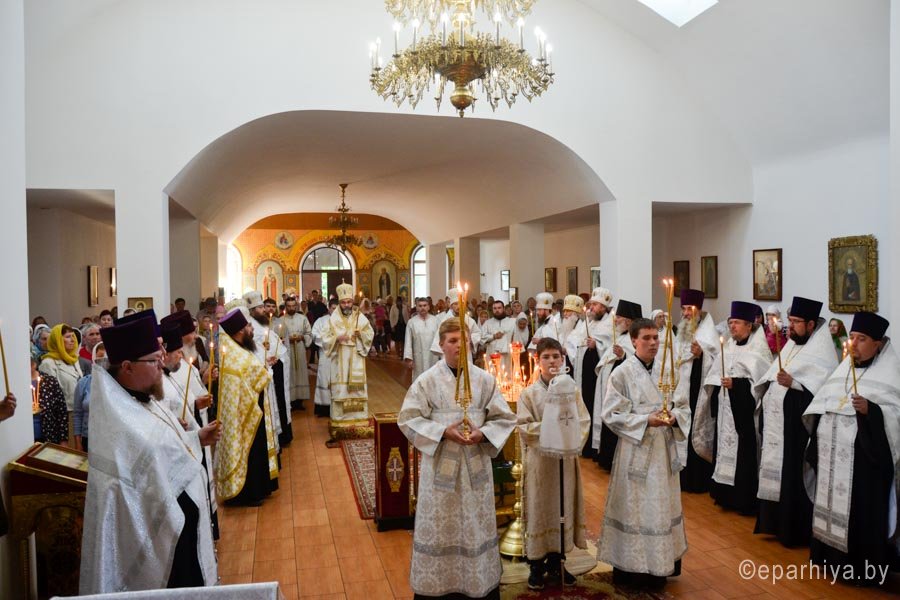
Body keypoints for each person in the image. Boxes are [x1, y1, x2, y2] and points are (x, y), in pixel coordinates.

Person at [80, 316, 219, 592]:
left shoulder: (143, 399)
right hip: (161, 547)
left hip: (180, 538)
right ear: (127, 367)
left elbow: (165, 449)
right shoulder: (118, 418)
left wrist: (195, 437)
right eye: (154, 360)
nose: (161, 365)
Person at [398, 318, 516, 599]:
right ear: (441, 345)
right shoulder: (427, 380)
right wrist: (441, 432)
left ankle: (479, 584)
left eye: (464, 340)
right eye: (452, 341)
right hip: (440, 471)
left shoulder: (484, 379)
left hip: (476, 469)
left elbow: (504, 418)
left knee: (475, 526)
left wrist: (483, 433)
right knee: (442, 529)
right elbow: (408, 418)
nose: (459, 347)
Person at [803, 311, 900, 585]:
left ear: (878, 344)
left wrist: (872, 411)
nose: (853, 344)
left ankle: (860, 568)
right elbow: (822, 404)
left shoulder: (890, 375)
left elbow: (895, 418)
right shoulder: (843, 371)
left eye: (862, 339)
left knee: (860, 512)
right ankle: (827, 558)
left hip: (864, 468)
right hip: (832, 458)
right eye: (853, 337)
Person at [599, 317, 689, 589]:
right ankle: (632, 569)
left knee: (660, 507)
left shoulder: (668, 370)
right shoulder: (622, 373)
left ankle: (660, 567)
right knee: (635, 508)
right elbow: (610, 414)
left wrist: (675, 417)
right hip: (635, 450)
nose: (653, 343)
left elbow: (683, 405)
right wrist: (645, 421)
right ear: (633, 341)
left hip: (663, 452)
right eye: (646, 338)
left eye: (655, 338)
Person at [754, 296, 837, 547]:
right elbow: (773, 375)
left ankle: (793, 530)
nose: (790, 326)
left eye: (796, 322)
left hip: (798, 429)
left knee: (793, 474)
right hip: (779, 424)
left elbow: (823, 393)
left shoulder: (822, 352)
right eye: (789, 321)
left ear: (811, 324)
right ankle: (773, 523)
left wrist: (795, 383)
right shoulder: (791, 344)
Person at [518, 338, 590, 590]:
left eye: (556, 356)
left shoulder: (573, 392)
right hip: (541, 462)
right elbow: (524, 427)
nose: (552, 361)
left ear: (563, 359)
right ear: (537, 361)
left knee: (563, 507)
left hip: (565, 461)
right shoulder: (529, 394)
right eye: (546, 357)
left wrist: (568, 440)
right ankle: (536, 564)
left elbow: (583, 422)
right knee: (540, 508)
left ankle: (558, 561)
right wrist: (553, 430)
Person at [693, 301, 773, 515]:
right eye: (730, 323)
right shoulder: (727, 347)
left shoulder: (758, 351)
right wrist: (717, 385)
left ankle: (742, 499)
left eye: (737, 323)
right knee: (723, 448)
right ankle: (723, 495)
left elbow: (761, 386)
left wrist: (736, 385)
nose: (732, 327)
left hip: (744, 416)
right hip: (724, 411)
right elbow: (713, 375)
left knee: (742, 453)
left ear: (749, 325)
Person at [215, 307, 279, 506]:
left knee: (254, 449)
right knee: (250, 450)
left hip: (249, 406)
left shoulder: (235, 348)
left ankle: (258, 489)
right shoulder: (233, 352)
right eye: (249, 326)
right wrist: (265, 371)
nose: (252, 330)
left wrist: (264, 366)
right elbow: (254, 374)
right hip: (244, 412)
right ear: (240, 330)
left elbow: (252, 371)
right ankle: (248, 493)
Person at [671, 289, 717, 493]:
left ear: (699, 309)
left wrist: (701, 355)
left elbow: (716, 361)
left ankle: (696, 480)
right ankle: (680, 477)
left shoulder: (709, 333)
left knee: (693, 433)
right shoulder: (682, 331)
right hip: (681, 391)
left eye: (689, 308)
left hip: (697, 393)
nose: (685, 313)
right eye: (683, 308)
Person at [563, 288, 613, 458]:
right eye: (591, 304)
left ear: (604, 307)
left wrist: (597, 345)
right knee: (584, 406)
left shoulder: (609, 324)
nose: (591, 308)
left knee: (593, 407)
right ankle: (584, 443)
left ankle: (593, 447)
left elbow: (610, 345)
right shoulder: (590, 322)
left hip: (595, 375)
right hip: (584, 372)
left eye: (595, 305)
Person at [321, 283, 374, 440]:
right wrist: (337, 338)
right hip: (340, 360)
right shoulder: (333, 318)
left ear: (352, 302)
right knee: (341, 391)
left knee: (357, 391)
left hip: (356, 357)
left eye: (349, 302)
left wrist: (360, 335)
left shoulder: (359, 317)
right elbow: (324, 337)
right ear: (339, 302)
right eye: (343, 302)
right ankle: (340, 422)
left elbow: (369, 333)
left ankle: (359, 421)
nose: (346, 305)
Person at [593, 299, 642, 470]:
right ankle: (606, 458)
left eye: (619, 317)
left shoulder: (634, 339)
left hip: (624, 395)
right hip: (612, 391)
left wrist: (623, 356)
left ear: (628, 321)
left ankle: (613, 460)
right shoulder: (621, 336)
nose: (615, 320)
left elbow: (639, 364)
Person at [243, 291, 291, 448]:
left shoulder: (261, 323)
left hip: (274, 364)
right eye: (260, 307)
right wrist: (267, 355)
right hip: (267, 368)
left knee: (280, 399)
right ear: (251, 311)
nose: (263, 310)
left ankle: (284, 433)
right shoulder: (251, 325)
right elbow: (254, 349)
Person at [39, 324, 84, 443]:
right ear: (57, 340)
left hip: (80, 413)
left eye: (73, 336)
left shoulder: (74, 359)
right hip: (64, 416)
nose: (72, 340)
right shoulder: (48, 363)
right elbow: (51, 399)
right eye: (68, 337)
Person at [276, 296, 313, 410]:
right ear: (285, 306)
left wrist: (302, 337)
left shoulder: (303, 318)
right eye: (289, 306)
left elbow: (309, 333)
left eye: (293, 306)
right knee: (289, 374)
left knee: (300, 373)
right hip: (287, 351)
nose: (291, 308)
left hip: (300, 349)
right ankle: (290, 402)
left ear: (296, 306)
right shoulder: (281, 320)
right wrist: (287, 339)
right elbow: (277, 337)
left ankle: (300, 401)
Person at [431, 288, 483, 362]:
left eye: (461, 303)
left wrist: (470, 339)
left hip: (465, 353)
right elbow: (439, 340)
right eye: (455, 304)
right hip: (450, 353)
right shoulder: (445, 321)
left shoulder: (469, 320)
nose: (458, 306)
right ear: (451, 306)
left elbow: (477, 333)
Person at [73, 343, 106, 451]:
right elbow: (77, 414)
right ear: (94, 358)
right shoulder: (84, 383)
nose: (104, 361)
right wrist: (78, 442)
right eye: (100, 357)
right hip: (88, 437)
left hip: (109, 439)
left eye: (107, 357)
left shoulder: (118, 383)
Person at [31, 356, 68, 444]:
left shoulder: (49, 381)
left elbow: (61, 411)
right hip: (22, 438)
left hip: (49, 437)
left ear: (34, 365)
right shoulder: (16, 383)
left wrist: (63, 440)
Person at [311, 297, 338, 417]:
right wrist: (329, 341)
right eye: (333, 308)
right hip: (325, 355)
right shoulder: (321, 321)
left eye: (337, 309)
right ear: (329, 308)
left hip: (338, 356)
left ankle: (337, 407)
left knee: (337, 380)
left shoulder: (344, 322)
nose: (335, 311)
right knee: (324, 379)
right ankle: (323, 408)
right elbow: (314, 335)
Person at [404, 297, 439, 382]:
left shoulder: (436, 321)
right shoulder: (411, 322)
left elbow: (440, 339)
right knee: (419, 379)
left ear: (428, 307)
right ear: (416, 307)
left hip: (433, 355)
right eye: (420, 306)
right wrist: (409, 358)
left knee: (433, 379)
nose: (422, 308)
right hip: (418, 356)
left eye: (424, 305)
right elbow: (408, 341)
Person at [481, 299, 516, 372]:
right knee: (492, 374)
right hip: (492, 353)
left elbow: (516, 338)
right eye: (495, 308)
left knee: (506, 374)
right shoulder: (488, 323)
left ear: (503, 309)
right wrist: (493, 336)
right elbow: (482, 337)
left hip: (506, 355)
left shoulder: (512, 322)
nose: (497, 310)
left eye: (499, 308)